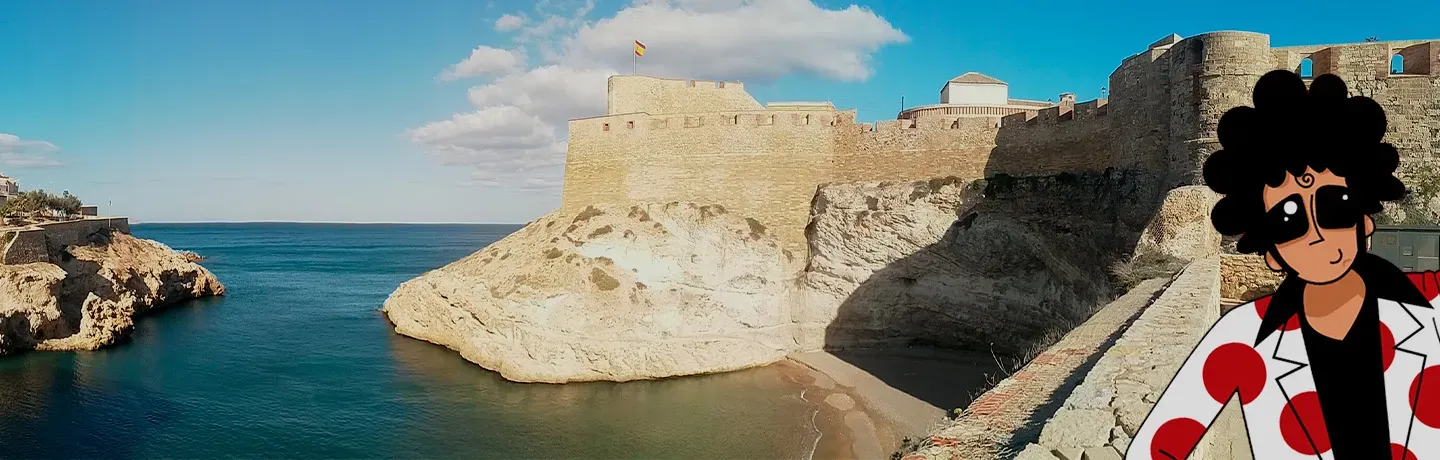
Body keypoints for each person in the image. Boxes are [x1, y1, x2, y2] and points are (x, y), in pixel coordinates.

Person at [1124, 70, 1440, 460]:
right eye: (1288, 221)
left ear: (1365, 221)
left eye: (1334, 207)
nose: (1318, 233)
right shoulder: (1240, 341)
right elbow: (1158, 445)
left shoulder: (1432, 306)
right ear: (1271, 252)